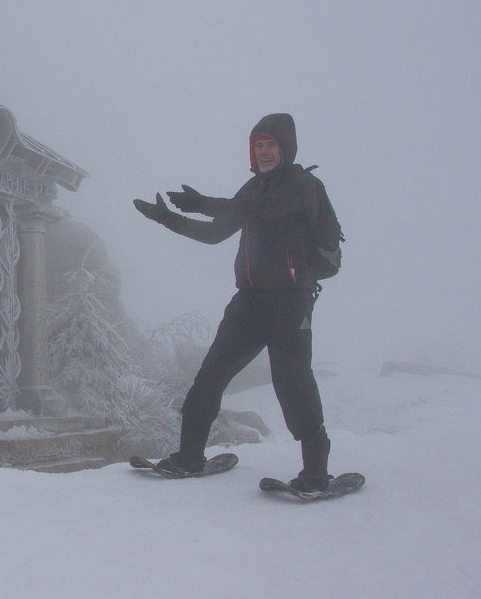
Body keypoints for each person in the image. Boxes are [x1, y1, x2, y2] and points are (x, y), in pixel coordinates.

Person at [133, 113, 333, 493]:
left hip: (292, 300)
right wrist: (166, 219)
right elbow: (215, 234)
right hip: (250, 300)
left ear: (286, 148)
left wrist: (204, 201)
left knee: (293, 382)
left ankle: (316, 472)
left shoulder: (303, 185)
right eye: (258, 146)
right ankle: (189, 455)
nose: (265, 152)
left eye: (271, 145)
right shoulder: (252, 189)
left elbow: (261, 212)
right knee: (210, 375)